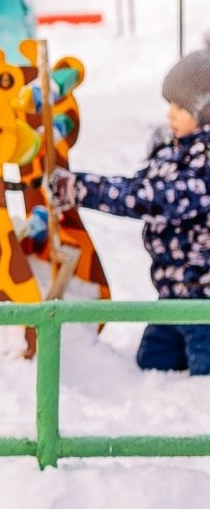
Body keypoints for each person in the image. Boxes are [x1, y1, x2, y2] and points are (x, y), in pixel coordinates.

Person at [57, 50, 210, 374]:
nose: (170, 113)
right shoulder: (172, 152)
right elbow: (136, 187)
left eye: (180, 107)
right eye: (169, 103)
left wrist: (82, 189)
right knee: (152, 365)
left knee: (202, 381)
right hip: (171, 298)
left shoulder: (205, 165)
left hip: (205, 306)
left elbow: (154, 199)